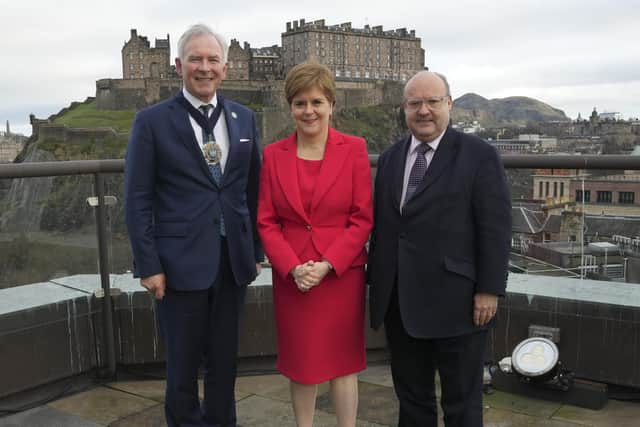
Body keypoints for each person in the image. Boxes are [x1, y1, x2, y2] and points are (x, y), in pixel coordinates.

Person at [124, 23, 263, 427]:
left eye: (213, 60)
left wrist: (254, 251)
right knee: (182, 368)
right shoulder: (151, 121)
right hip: (178, 263)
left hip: (232, 263)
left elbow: (251, 191)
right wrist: (148, 264)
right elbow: (137, 198)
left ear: (226, 66)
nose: (205, 67)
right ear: (179, 64)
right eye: (196, 59)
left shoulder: (244, 118)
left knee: (225, 363)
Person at [367, 71, 511, 427]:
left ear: (449, 104)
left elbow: (495, 227)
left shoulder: (479, 155)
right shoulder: (390, 158)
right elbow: (385, 228)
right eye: (415, 103)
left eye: (432, 101)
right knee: (412, 401)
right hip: (400, 304)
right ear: (404, 109)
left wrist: (489, 289)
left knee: (462, 405)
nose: (423, 111)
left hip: (458, 303)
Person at [257, 62, 373, 427]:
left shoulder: (354, 149)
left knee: (343, 364)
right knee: (302, 364)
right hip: (294, 277)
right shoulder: (273, 154)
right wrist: (292, 267)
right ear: (290, 107)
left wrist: (327, 264)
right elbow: (266, 221)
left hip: (339, 274)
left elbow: (362, 219)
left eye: (317, 102)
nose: (309, 111)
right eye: (300, 103)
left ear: (331, 105)